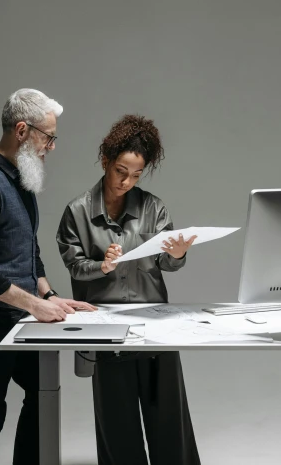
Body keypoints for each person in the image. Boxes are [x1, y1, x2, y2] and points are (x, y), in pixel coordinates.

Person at [0, 88, 97, 465]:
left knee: (43, 394)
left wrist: (49, 297)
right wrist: (36, 305)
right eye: (48, 137)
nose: (52, 146)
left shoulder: (21, 178)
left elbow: (26, 250)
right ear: (22, 130)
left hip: (21, 317)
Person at [56, 114, 200, 465]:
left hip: (155, 326)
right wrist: (101, 266)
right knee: (118, 432)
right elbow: (74, 264)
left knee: (170, 424)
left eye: (136, 174)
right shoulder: (77, 212)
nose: (127, 181)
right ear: (105, 160)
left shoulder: (153, 207)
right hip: (106, 329)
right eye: (121, 171)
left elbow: (167, 264)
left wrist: (177, 255)